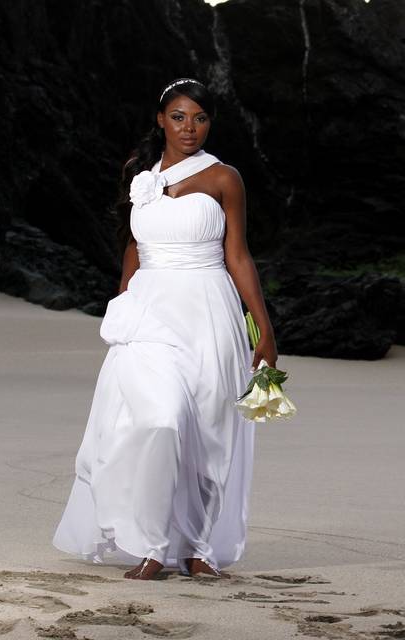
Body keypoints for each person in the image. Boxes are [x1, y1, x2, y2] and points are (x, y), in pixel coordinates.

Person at [52, 77, 277, 580]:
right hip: (150, 311)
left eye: (199, 117)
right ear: (161, 120)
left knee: (209, 431)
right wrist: (122, 306)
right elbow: (133, 247)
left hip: (209, 309)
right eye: (178, 117)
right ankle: (152, 545)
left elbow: (238, 255)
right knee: (161, 419)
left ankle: (196, 548)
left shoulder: (224, 178)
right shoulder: (140, 176)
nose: (189, 127)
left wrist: (264, 329)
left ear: (210, 122)